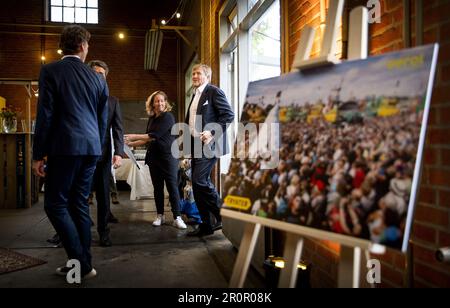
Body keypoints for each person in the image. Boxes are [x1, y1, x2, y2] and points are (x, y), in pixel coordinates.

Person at [32, 25, 108, 280]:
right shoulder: (97, 78)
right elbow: (101, 118)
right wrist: (96, 148)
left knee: (55, 205)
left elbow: (45, 115)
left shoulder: (51, 71)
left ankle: (80, 263)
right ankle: (80, 264)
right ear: (83, 46)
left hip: (64, 148)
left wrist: (37, 154)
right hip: (91, 149)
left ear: (62, 46)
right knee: (78, 205)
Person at [125, 91, 187, 230]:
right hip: (154, 157)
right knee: (157, 188)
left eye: (162, 101)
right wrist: (131, 144)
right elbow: (149, 139)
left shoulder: (168, 117)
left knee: (172, 187)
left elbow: (154, 135)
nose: (159, 103)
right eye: (157, 101)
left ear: (166, 103)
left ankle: (177, 217)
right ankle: (160, 216)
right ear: (152, 104)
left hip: (168, 157)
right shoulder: (152, 118)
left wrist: (132, 136)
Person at [185, 64, 234, 236]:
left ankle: (223, 214)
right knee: (197, 185)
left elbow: (228, 115)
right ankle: (207, 225)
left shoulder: (214, 91)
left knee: (199, 181)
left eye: (198, 73)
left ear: (207, 76)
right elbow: (190, 124)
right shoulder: (195, 95)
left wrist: (212, 132)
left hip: (210, 144)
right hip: (196, 145)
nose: (195, 76)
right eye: (193, 73)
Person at [87, 60, 124, 246]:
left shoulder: (113, 101)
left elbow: (118, 129)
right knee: (76, 196)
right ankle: (73, 232)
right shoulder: (81, 96)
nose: (98, 75)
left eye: (101, 73)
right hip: (81, 156)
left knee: (103, 196)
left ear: (105, 77)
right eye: (94, 72)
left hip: (102, 156)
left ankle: (104, 232)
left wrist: (119, 152)